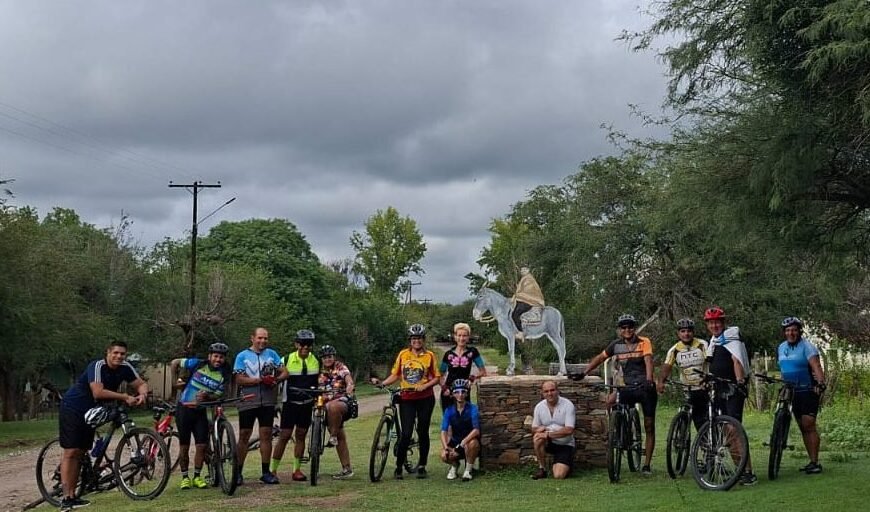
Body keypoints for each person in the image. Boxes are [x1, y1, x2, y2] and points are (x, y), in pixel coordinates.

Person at [58, 341, 148, 512]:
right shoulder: (97, 366)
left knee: (83, 450)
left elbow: (140, 383)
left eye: (122, 354)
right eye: (115, 353)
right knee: (72, 451)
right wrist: (124, 396)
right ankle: (67, 498)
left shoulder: (125, 367)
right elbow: (97, 392)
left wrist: (142, 393)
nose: (119, 356)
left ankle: (76, 492)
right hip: (74, 407)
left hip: (93, 411)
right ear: (107, 353)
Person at [576, 314, 657, 475]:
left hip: (644, 387)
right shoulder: (616, 345)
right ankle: (619, 432)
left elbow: (648, 361)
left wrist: (649, 379)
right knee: (614, 406)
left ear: (634, 328)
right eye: (624, 328)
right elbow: (600, 358)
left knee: (649, 425)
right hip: (626, 387)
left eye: (630, 327)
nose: (627, 330)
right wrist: (584, 372)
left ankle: (646, 464)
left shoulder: (644, 342)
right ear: (620, 330)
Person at [371, 323, 441, 480]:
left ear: (423, 340)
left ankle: (422, 465)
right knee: (406, 433)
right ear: (410, 340)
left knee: (423, 431)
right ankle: (398, 466)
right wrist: (383, 383)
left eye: (420, 338)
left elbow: (437, 378)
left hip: (425, 398)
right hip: (407, 398)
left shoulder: (429, 355)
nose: (417, 341)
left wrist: (425, 386)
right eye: (414, 338)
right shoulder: (403, 354)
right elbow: (395, 375)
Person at [703, 306, 756, 485]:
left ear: (723, 323)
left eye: (717, 322)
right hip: (718, 388)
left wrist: (740, 381)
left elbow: (737, 360)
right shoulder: (714, 340)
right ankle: (739, 470)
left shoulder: (732, 338)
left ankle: (748, 471)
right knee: (727, 431)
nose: (714, 325)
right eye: (711, 323)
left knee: (734, 430)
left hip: (733, 389)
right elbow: (710, 361)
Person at [170, 342, 232, 490]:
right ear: (209, 356)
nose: (218, 360)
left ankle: (197, 477)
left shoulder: (223, 374)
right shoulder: (198, 364)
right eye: (215, 356)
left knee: (201, 446)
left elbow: (218, 395)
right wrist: (174, 383)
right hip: (184, 409)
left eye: (221, 357)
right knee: (184, 447)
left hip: (200, 412)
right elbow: (174, 363)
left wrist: (207, 396)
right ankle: (185, 478)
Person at [234, 327, 288, 485]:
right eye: (260, 338)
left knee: (266, 435)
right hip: (249, 400)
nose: (263, 341)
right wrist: (260, 380)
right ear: (252, 338)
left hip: (268, 400)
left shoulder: (272, 354)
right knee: (244, 435)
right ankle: (238, 472)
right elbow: (239, 379)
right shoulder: (242, 356)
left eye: (265, 338)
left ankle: (266, 472)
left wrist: (275, 380)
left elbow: (285, 372)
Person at [777, 316, 826, 474]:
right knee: (802, 426)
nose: (791, 333)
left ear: (799, 331)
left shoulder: (807, 347)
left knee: (808, 424)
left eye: (794, 330)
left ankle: (815, 462)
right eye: (788, 330)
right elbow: (784, 369)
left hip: (807, 390)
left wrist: (820, 383)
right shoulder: (781, 347)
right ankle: (811, 461)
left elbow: (816, 366)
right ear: (784, 332)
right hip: (791, 392)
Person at [271, 329, 319, 482]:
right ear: (296, 344)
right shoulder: (286, 359)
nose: (305, 347)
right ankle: (272, 470)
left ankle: (296, 470)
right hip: (289, 404)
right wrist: (275, 404)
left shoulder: (316, 361)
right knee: (284, 436)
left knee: (301, 435)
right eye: (303, 344)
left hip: (306, 404)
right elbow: (276, 383)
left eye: (309, 344)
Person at [657, 318, 709, 431]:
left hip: (704, 387)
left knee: (705, 417)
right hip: (688, 389)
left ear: (693, 332)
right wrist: (661, 382)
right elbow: (667, 366)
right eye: (683, 331)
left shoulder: (702, 344)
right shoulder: (674, 350)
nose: (686, 334)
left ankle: (708, 441)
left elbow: (710, 361)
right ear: (678, 333)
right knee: (695, 417)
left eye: (689, 331)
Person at [318, 344, 357, 479]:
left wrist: (350, 386)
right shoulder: (319, 370)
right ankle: (346, 468)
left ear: (334, 357)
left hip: (341, 401)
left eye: (329, 357)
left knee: (332, 407)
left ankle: (332, 436)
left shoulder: (340, 367)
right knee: (340, 433)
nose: (327, 359)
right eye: (324, 357)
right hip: (324, 402)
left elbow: (348, 379)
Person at [530, 380, 575, 480]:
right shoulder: (539, 407)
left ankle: (565, 464)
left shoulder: (568, 405)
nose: (549, 393)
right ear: (542, 393)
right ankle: (542, 469)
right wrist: (539, 429)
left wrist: (548, 434)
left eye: (552, 390)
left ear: (558, 391)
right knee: (537, 438)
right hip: (548, 443)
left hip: (565, 444)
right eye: (546, 391)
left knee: (558, 475)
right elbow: (534, 428)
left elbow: (569, 430)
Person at [439, 323, 487, 412]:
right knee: (449, 421)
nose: (462, 338)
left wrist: (472, 378)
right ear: (455, 336)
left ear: (468, 337)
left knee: (464, 420)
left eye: (464, 335)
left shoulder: (472, 352)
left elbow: (483, 372)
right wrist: (444, 388)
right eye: (459, 335)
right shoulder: (448, 354)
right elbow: (440, 374)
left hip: (464, 391)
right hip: (449, 391)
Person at [439, 379, 480, 481]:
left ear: (467, 393)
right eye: (456, 392)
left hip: (468, 442)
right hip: (455, 442)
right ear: (452, 394)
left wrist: (463, 443)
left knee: (472, 444)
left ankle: (468, 470)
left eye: (463, 392)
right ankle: (454, 466)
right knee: (444, 455)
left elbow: (476, 430)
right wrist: (446, 448)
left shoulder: (473, 408)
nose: (460, 395)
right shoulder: (449, 410)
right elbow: (443, 430)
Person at [511, 266, 545, 336]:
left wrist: (517, 295)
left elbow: (528, 292)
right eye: (521, 270)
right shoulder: (524, 279)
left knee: (515, 314)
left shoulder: (529, 279)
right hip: (524, 299)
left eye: (524, 269)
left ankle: (521, 332)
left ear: (528, 270)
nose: (522, 271)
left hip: (531, 301)